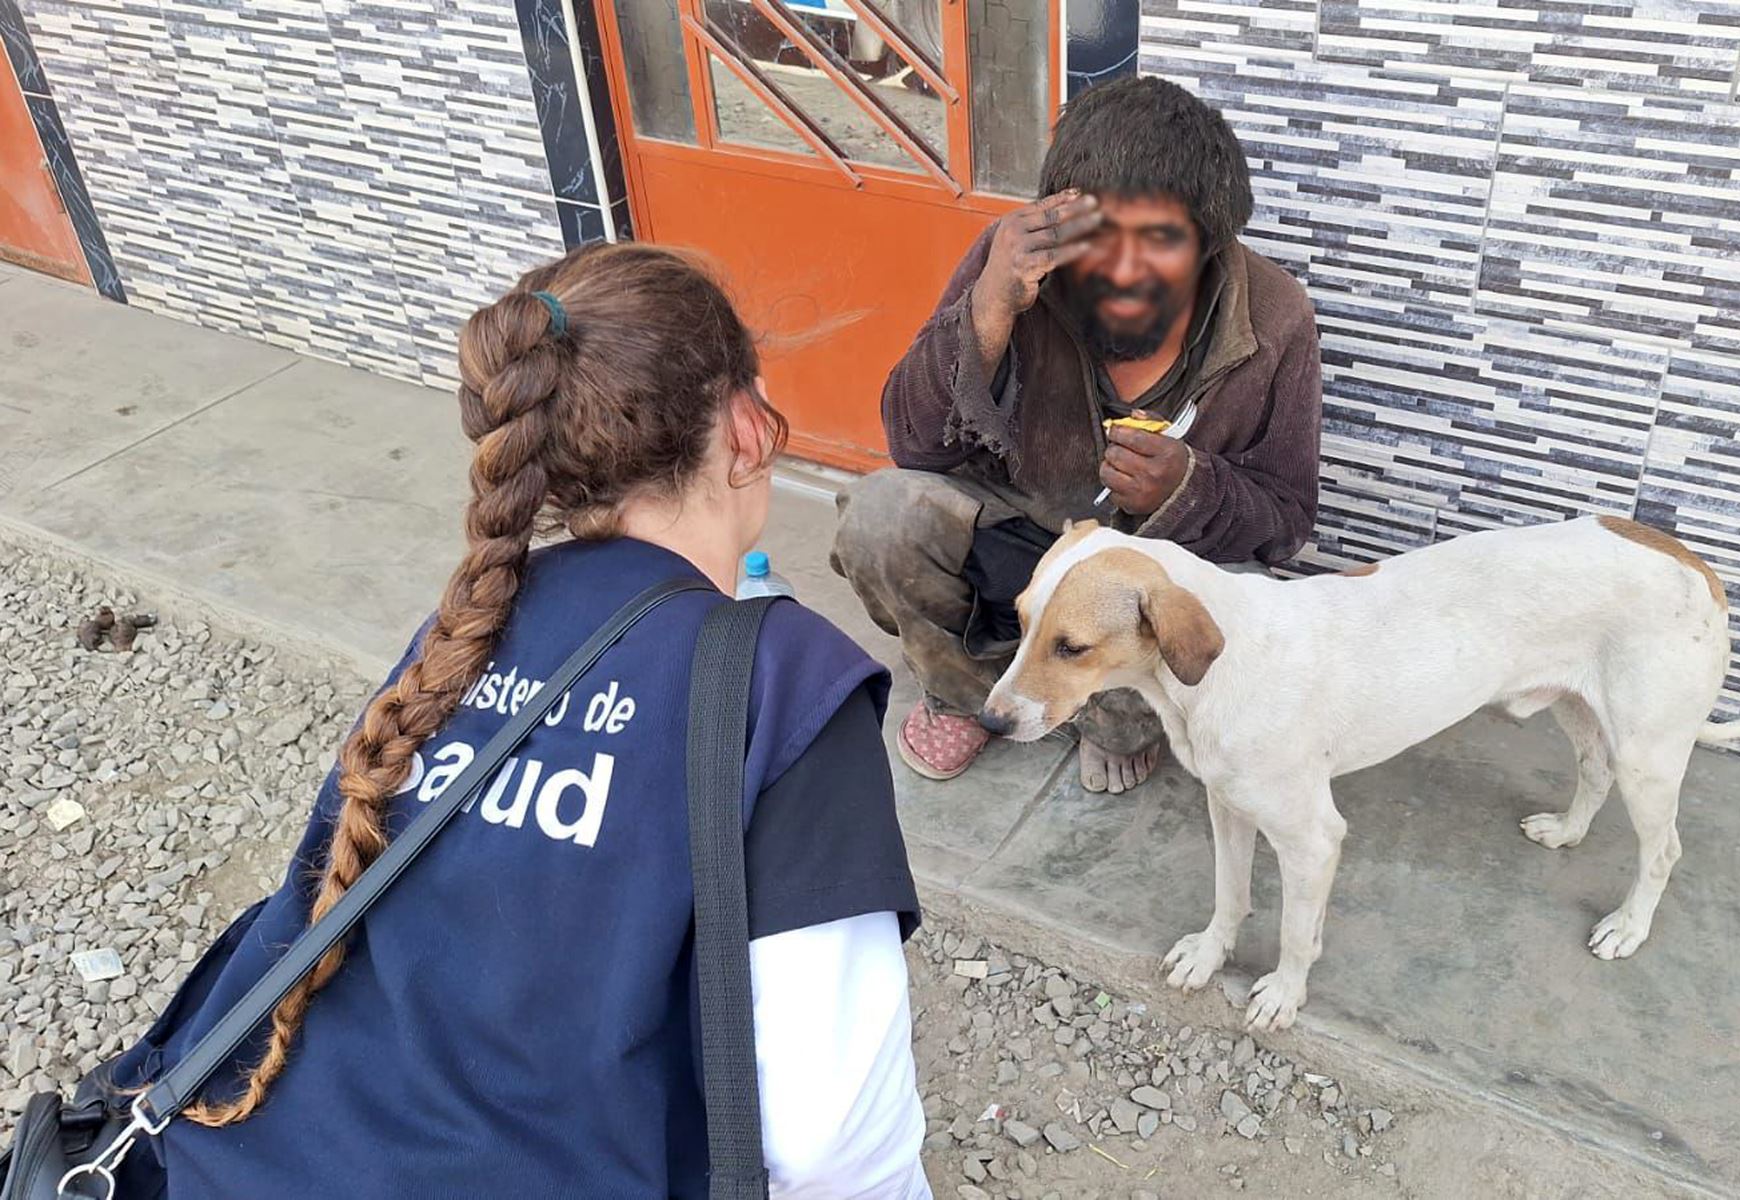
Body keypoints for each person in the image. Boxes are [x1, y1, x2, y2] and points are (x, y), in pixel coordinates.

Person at [110, 243, 932, 1198]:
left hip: (245, 1155)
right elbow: (834, 1148)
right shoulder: (786, 682)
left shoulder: (469, 620)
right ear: (748, 429)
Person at [832, 76, 1322, 795]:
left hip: (1147, 576)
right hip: (1019, 536)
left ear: (1209, 243)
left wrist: (1188, 486)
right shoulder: (1014, 262)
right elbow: (916, 447)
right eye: (1098, 239)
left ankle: (1112, 716)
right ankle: (967, 692)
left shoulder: (1276, 316)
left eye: (1159, 244)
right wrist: (990, 309)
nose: (1123, 272)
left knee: (1238, 610)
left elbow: (1285, 523)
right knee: (881, 517)